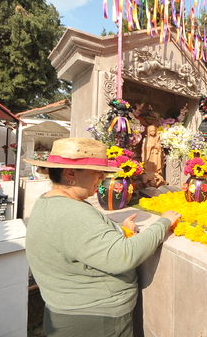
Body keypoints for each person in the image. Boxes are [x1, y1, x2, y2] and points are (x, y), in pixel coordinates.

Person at [24, 137, 180, 337]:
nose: (101, 178)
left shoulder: (50, 202)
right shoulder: (71, 213)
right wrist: (163, 223)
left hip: (71, 313)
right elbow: (123, 257)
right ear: (71, 173)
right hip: (94, 320)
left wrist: (122, 232)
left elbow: (80, 243)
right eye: (96, 172)